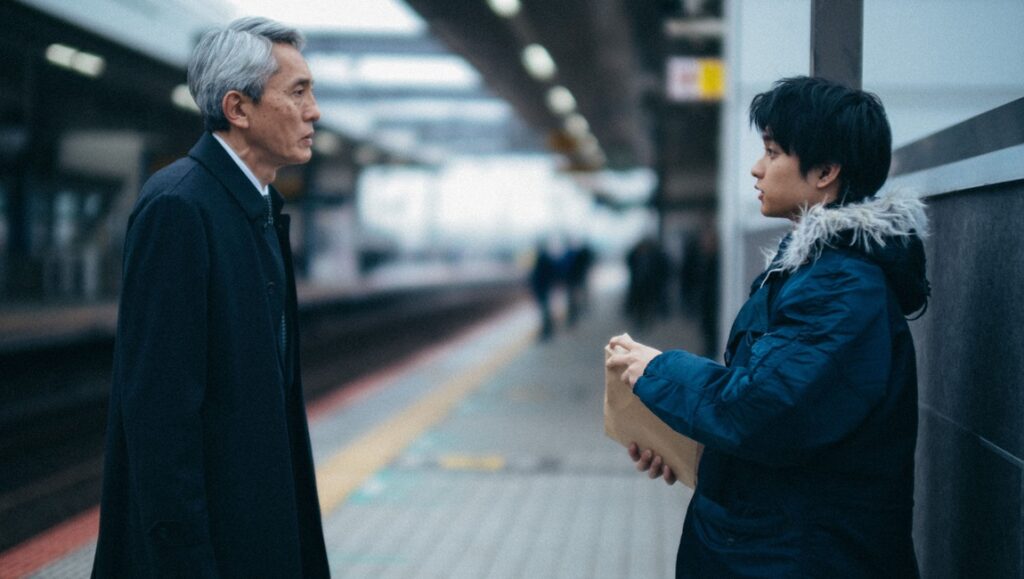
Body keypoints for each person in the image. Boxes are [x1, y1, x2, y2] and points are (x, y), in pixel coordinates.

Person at [606, 76, 929, 577]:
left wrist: (656, 371)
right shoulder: (816, 272)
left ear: (825, 172)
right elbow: (791, 415)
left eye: (773, 153)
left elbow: (762, 410)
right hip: (777, 546)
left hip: (803, 559)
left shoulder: (841, 287)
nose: (757, 168)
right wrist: (694, 450)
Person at [92, 17, 329, 578]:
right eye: (298, 92)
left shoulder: (256, 209)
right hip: (210, 553)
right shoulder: (180, 207)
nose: (315, 111)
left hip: (253, 530)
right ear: (237, 108)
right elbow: (160, 417)